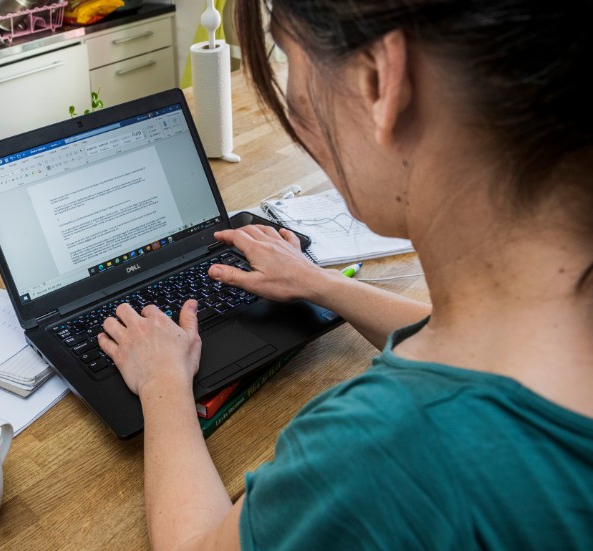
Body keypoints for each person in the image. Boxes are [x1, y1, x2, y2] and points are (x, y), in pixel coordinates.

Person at [96, 0, 593, 548]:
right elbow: (494, 348)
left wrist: (163, 383)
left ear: (379, 80)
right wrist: (323, 285)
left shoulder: (379, 448)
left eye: (287, 58)